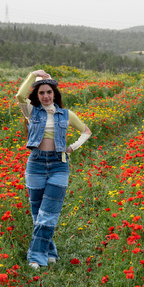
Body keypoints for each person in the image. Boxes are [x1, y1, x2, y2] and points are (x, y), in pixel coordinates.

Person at [15, 69, 91, 270]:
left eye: (49, 92)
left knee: (49, 212)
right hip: (36, 164)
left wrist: (72, 147)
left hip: (59, 165)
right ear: (37, 96)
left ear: (55, 94)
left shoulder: (66, 115)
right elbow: (20, 95)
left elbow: (86, 132)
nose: (46, 96)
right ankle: (49, 252)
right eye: (41, 93)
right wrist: (33, 74)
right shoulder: (31, 111)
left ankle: (35, 257)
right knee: (37, 213)